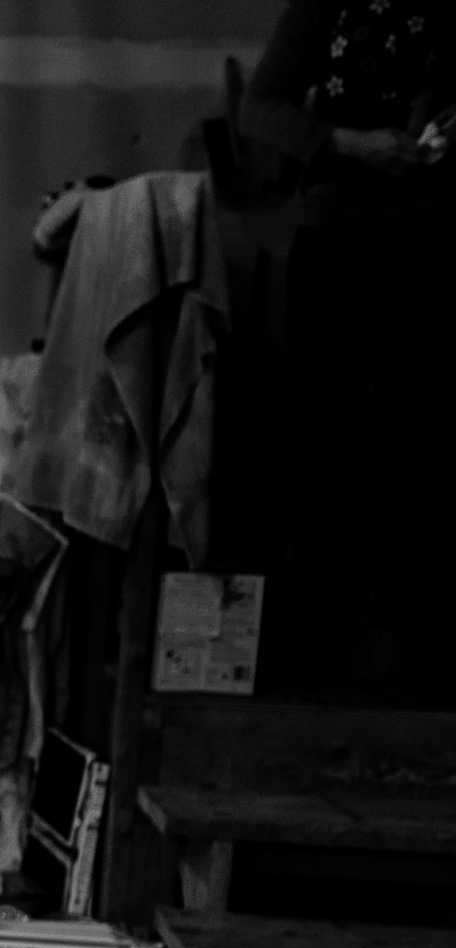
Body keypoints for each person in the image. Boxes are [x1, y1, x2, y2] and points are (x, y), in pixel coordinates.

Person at [243, 0, 455, 688]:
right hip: (334, 240)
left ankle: (402, 636)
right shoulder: (323, 2)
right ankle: (319, 633)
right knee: (321, 440)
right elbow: (259, 107)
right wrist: (349, 143)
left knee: (417, 444)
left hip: (426, 240)